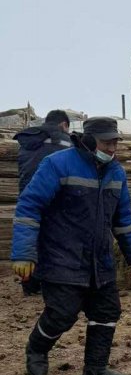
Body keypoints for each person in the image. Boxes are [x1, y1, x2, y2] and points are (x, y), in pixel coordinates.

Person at [11, 117, 131, 375]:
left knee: (107, 312)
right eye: (107, 142)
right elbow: (29, 207)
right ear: (87, 140)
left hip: (100, 260)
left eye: (115, 143)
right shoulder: (57, 164)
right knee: (62, 313)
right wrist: (24, 252)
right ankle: (37, 348)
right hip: (62, 257)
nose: (112, 148)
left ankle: (95, 369)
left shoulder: (116, 173)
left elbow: (123, 220)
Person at [14, 110, 73, 296]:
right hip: (55, 197)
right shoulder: (65, 140)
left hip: (28, 195)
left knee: (31, 238)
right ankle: (52, 283)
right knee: (55, 240)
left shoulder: (28, 139)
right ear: (63, 125)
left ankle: (29, 285)